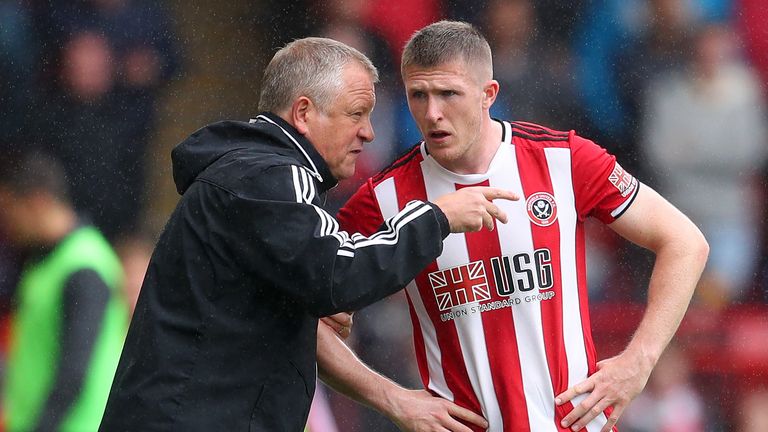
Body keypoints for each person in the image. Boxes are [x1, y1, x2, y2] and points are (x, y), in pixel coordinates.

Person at [99, 37, 514, 431]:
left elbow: (313, 282)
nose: (368, 132)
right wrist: (435, 218)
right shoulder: (273, 175)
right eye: (356, 113)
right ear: (303, 113)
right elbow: (338, 274)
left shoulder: (249, 171)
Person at [317, 21, 709, 432]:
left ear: (489, 94)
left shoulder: (563, 159)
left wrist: (638, 362)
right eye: (419, 95)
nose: (432, 113)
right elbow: (306, 314)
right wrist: (393, 399)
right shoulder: (382, 199)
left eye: (449, 93)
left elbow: (685, 242)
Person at [0, 152, 129, 432]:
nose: (6, 223)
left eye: (10, 210)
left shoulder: (84, 266)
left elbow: (73, 374)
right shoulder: (44, 259)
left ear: (37, 202)